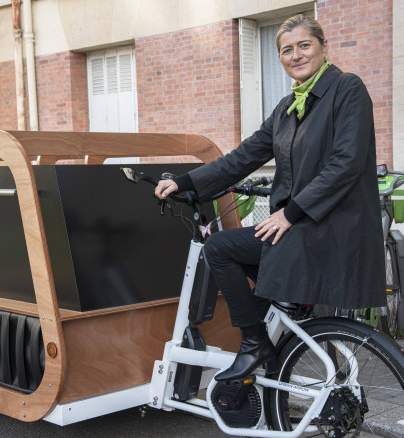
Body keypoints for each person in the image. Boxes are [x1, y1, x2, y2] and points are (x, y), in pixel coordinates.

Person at [155, 14, 386, 381]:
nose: (296, 55)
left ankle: (253, 344)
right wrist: (184, 182)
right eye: (286, 50)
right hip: (306, 226)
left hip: (329, 228)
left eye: (304, 46)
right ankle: (271, 358)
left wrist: (289, 214)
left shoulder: (347, 89)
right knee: (256, 274)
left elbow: (346, 164)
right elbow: (243, 158)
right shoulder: (285, 108)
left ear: (324, 47)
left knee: (219, 248)